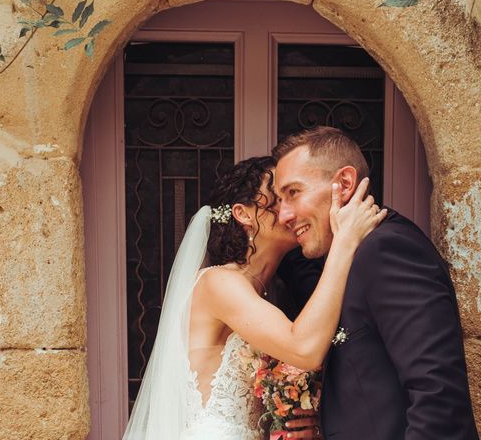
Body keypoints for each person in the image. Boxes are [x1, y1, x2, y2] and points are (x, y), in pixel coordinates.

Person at [122, 155, 387, 440]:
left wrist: (300, 419)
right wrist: (345, 242)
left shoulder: (269, 294)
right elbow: (304, 348)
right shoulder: (218, 283)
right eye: (277, 198)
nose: (289, 211)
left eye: (293, 196)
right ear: (243, 213)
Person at [273, 126, 480, 440]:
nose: (284, 215)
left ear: (343, 183)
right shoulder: (349, 256)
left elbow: (438, 397)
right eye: (278, 200)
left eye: (293, 193)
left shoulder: (386, 250)